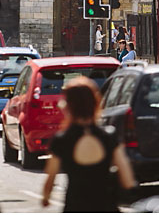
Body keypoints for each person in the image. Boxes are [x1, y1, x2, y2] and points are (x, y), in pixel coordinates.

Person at [42, 76, 136, 211]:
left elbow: (50, 178)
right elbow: (127, 180)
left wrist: (46, 198)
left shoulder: (62, 140)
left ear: (68, 106)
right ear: (95, 104)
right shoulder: (109, 136)